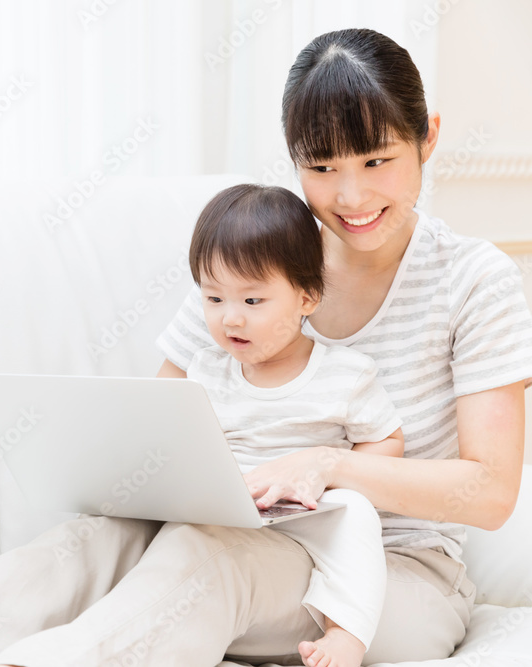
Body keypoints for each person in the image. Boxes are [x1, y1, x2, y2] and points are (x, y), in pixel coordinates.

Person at [0, 27, 532, 667]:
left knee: (208, 562)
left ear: (427, 137)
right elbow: (162, 418)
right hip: (236, 527)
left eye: (378, 160)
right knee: (87, 543)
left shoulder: (475, 280)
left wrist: (328, 466)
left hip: (390, 572)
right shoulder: (262, 259)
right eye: (321, 166)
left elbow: (490, 491)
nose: (351, 195)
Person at [184, 182, 404, 667]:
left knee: (355, 513)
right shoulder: (203, 370)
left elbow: (387, 441)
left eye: (252, 302)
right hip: (228, 512)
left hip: (308, 513)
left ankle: (345, 632)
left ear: (307, 298)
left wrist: (332, 472)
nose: (230, 320)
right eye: (213, 298)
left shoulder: (344, 374)